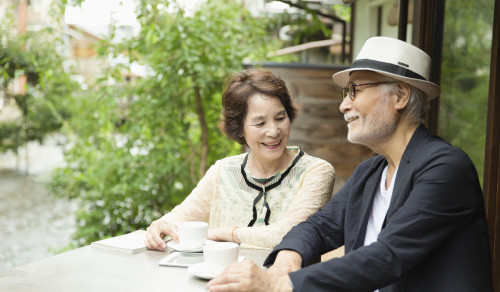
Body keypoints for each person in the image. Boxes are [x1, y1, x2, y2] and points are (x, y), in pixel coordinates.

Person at [207, 37, 493, 291]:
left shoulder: (445, 168)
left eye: (356, 90)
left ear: (401, 95)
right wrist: (287, 259)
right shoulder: (371, 172)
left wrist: (282, 283)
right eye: (346, 94)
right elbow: (318, 227)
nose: (344, 105)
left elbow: (388, 255)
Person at [145, 69, 335, 250]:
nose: (274, 131)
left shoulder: (316, 172)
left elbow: (291, 234)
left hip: (283, 282)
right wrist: (160, 225)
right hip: (220, 280)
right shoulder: (223, 170)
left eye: (280, 118)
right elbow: (181, 218)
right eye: (260, 122)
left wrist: (226, 234)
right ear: (239, 128)